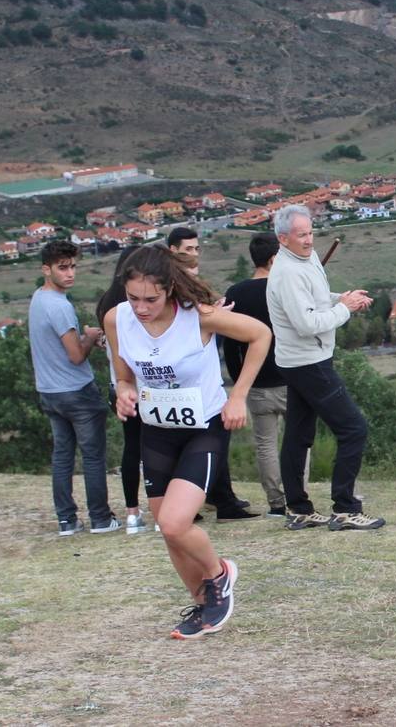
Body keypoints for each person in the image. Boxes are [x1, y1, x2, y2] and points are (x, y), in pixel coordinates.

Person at [104, 243, 272, 638]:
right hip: (157, 429)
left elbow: (261, 336)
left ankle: (219, 574)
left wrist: (238, 395)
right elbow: (124, 374)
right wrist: (124, 391)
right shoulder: (117, 319)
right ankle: (202, 606)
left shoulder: (199, 317)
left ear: (170, 290)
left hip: (203, 427)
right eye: (133, 298)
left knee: (176, 522)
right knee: (169, 531)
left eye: (151, 299)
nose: (141, 308)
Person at [267, 205, 386, 530]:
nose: (309, 240)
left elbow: (316, 299)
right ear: (283, 238)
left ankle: (298, 509)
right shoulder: (288, 272)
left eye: (310, 232)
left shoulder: (304, 259)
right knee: (353, 428)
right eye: (301, 235)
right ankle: (345, 508)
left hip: (300, 360)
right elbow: (307, 324)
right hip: (308, 361)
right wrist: (345, 309)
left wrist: (341, 298)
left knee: (298, 434)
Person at [29, 240, 118, 536]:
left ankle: (67, 520)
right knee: (92, 456)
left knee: (62, 456)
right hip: (76, 391)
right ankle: (101, 519)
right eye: (62, 268)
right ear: (47, 269)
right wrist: (91, 336)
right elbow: (75, 355)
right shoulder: (60, 306)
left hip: (49, 391)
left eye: (73, 267)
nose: (70, 274)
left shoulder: (38, 299)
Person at [165, 226, 254, 518]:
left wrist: (215, 315)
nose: (193, 255)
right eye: (187, 250)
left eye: (196, 249)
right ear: (172, 253)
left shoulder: (190, 289)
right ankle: (217, 501)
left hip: (198, 380)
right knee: (205, 443)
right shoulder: (172, 291)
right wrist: (218, 317)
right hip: (189, 387)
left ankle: (218, 498)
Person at [224, 233, 296, 518]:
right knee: (297, 440)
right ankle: (297, 498)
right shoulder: (285, 289)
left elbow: (230, 345)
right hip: (292, 379)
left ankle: (276, 503)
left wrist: (240, 380)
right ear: (273, 259)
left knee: (265, 444)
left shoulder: (236, 293)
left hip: (255, 383)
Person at [96, 246, 149, 534]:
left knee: (131, 448)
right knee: (155, 449)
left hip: (118, 385)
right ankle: (160, 508)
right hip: (147, 384)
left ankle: (132, 513)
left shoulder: (107, 302)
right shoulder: (141, 306)